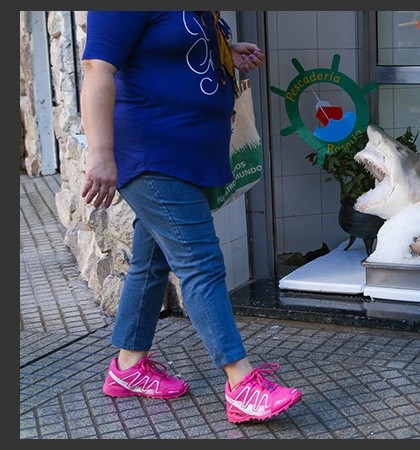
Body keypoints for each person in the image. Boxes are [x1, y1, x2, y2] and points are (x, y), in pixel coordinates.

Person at [80, 11, 302, 424]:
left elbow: (165, 48)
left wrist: (224, 52)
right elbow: (97, 66)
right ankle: (241, 383)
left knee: (151, 264)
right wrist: (100, 153)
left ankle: (128, 368)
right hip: (153, 155)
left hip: (186, 154)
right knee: (200, 262)